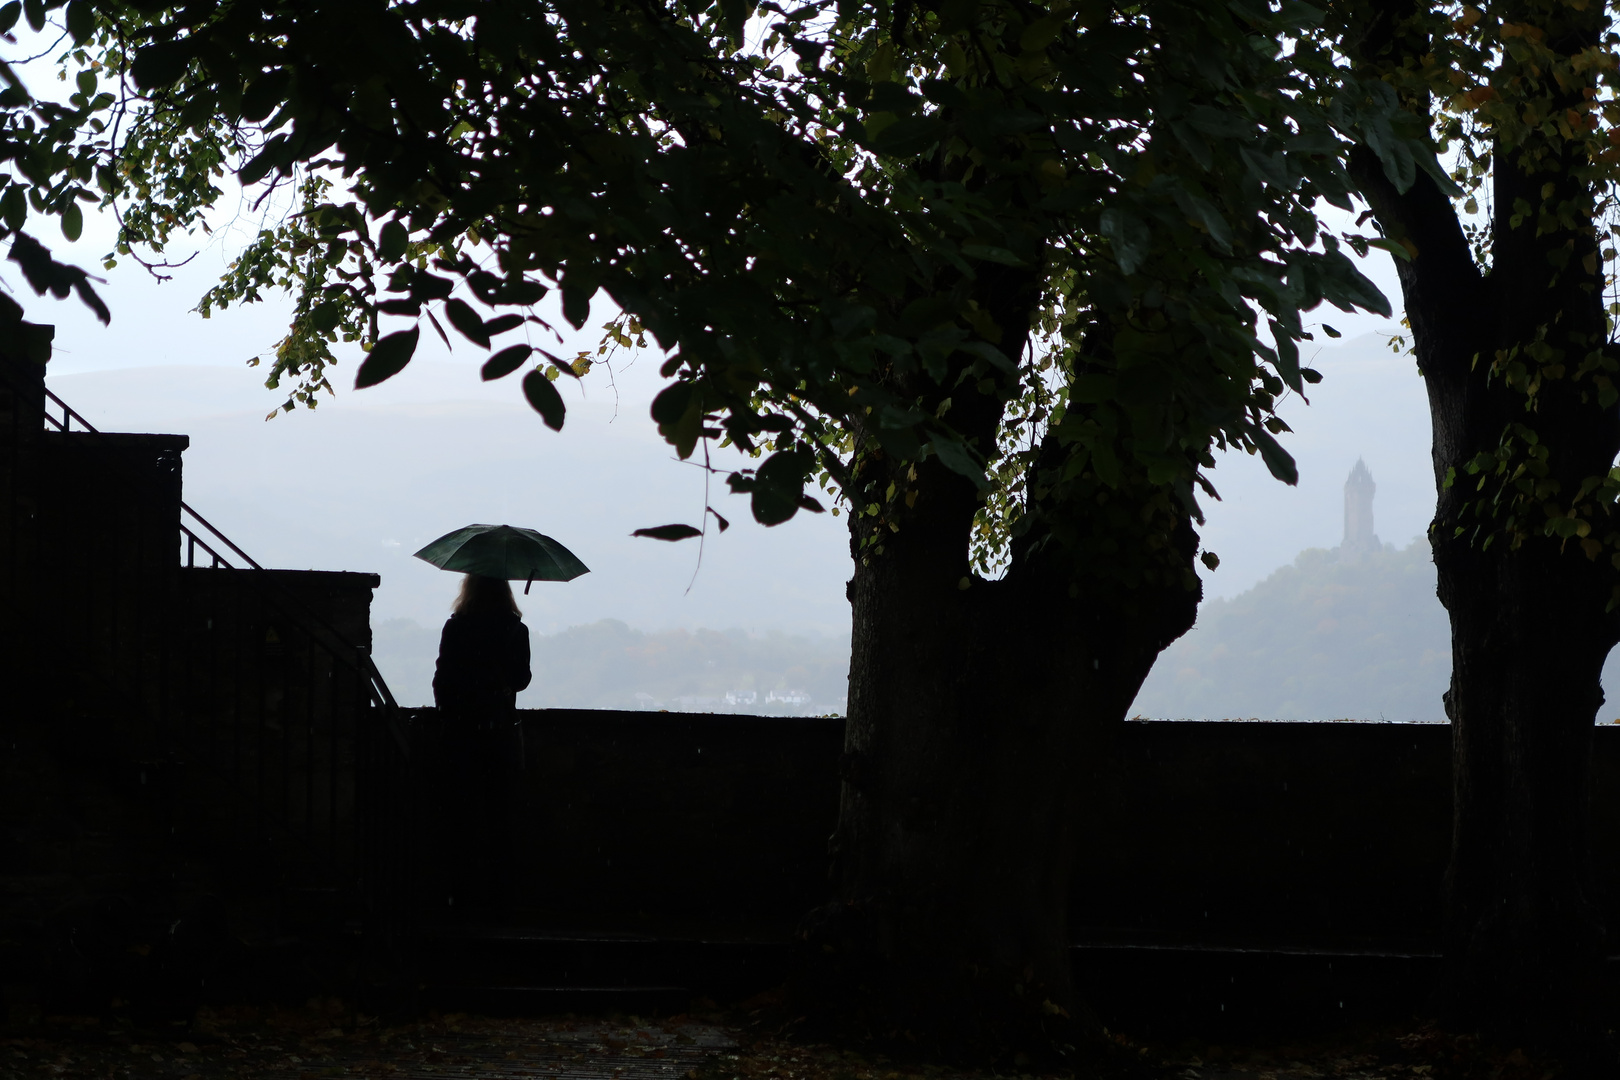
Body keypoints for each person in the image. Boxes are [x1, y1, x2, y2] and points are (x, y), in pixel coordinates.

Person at [432, 573, 532, 918]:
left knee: (460, 817)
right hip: (499, 731)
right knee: (501, 816)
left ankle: (458, 898)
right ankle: (502, 899)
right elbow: (521, 679)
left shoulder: (457, 627)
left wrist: (450, 712)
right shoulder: (515, 630)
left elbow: (443, 678)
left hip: (461, 732)